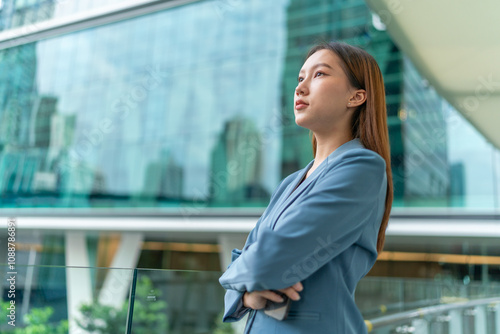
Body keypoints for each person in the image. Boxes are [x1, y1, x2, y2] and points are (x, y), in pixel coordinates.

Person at [219, 41, 394, 334]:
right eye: (300, 78)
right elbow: (252, 256)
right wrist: (247, 293)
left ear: (356, 96)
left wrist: (241, 275)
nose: (300, 88)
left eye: (320, 74)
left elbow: (268, 259)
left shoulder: (362, 168)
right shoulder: (291, 182)